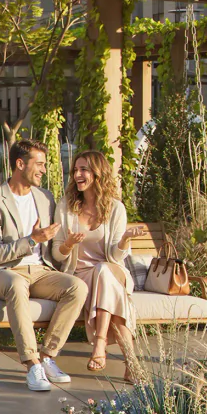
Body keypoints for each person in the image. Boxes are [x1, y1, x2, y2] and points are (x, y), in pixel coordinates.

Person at [0, 138, 87, 393]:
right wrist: (31, 240)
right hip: (4, 272)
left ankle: (48, 356)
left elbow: (54, 249)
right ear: (19, 164)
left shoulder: (45, 198)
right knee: (15, 284)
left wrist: (66, 243)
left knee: (77, 287)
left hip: (39, 270)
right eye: (39, 164)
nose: (44, 170)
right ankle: (31, 362)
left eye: (45, 165)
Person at [53, 149, 148, 373]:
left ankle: (99, 345)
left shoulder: (116, 208)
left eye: (84, 169)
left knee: (104, 270)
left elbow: (115, 258)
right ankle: (131, 364)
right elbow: (58, 255)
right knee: (113, 294)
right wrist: (68, 244)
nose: (77, 174)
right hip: (80, 275)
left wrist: (125, 239)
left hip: (113, 271)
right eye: (75, 169)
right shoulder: (65, 207)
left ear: (98, 173)